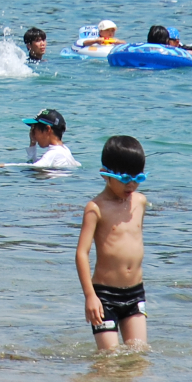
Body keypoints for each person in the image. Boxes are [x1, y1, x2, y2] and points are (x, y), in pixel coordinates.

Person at [76, 135, 148, 350]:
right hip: (105, 297)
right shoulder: (96, 208)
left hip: (135, 292)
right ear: (105, 175)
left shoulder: (141, 202)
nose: (132, 185)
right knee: (109, 359)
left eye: (139, 178)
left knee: (138, 356)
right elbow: (81, 253)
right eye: (126, 179)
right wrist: (90, 296)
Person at [0, 109, 78, 170]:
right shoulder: (65, 150)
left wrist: (3, 165)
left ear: (47, 129)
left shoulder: (54, 153)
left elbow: (33, 167)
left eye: (34, 128)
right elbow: (33, 164)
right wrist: (32, 143)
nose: (32, 133)